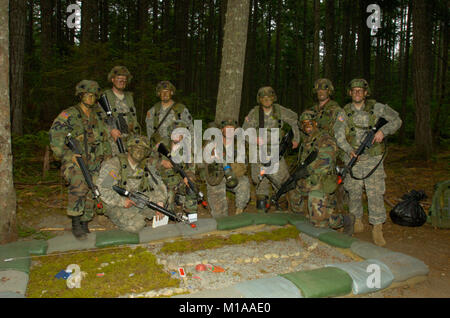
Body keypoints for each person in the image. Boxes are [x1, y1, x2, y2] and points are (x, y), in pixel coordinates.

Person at [334, 79, 402, 246]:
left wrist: (382, 131)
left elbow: (396, 120)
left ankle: (377, 227)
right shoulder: (344, 112)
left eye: (360, 90)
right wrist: (348, 149)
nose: (357, 93)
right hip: (353, 157)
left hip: (373, 158)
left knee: (375, 192)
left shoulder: (377, 108)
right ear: (350, 93)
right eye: (354, 90)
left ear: (366, 92)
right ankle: (356, 220)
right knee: (353, 191)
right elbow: (338, 132)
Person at [49, 80, 112, 239]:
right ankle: (76, 221)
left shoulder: (98, 116)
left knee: (94, 188)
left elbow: (105, 139)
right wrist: (69, 156)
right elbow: (55, 138)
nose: (90, 98)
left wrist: (108, 158)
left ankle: (85, 221)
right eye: (87, 95)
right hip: (75, 162)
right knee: (79, 182)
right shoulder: (69, 115)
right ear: (80, 95)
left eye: (93, 96)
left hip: (95, 161)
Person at [242, 86, 300, 213]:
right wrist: (255, 139)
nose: (267, 100)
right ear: (260, 99)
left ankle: (282, 206)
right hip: (258, 151)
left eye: (269, 97)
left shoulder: (279, 110)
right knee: (259, 179)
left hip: (276, 150)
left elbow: (295, 120)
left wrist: (296, 138)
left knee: (282, 179)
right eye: (264, 98)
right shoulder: (254, 113)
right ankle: (262, 209)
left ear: (273, 98)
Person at [297, 110, 354, 234]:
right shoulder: (307, 142)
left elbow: (325, 164)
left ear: (315, 123)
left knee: (318, 222)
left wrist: (305, 175)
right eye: (304, 123)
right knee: (295, 200)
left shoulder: (325, 138)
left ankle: (345, 220)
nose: (307, 126)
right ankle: (318, 213)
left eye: (310, 123)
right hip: (312, 182)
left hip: (322, 183)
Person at [96, 136, 168, 233]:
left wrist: (160, 202)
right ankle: (111, 222)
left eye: (143, 149)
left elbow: (159, 185)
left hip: (137, 199)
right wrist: (122, 201)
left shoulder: (146, 166)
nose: (139, 152)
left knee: (166, 205)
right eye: (136, 148)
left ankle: (139, 214)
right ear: (129, 149)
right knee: (137, 225)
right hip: (116, 202)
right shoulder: (114, 165)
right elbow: (103, 189)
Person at [203, 119, 250, 218]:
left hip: (232, 175)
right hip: (216, 177)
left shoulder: (239, 146)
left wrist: (227, 165)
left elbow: (243, 167)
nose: (229, 131)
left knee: (244, 183)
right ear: (221, 130)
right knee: (220, 216)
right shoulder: (212, 144)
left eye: (232, 129)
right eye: (227, 128)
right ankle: (220, 212)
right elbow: (202, 165)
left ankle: (239, 211)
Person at [152, 121, 198, 217]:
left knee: (191, 185)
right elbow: (146, 161)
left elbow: (191, 169)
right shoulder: (161, 145)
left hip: (178, 182)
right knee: (167, 211)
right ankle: (175, 204)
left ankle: (192, 217)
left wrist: (188, 177)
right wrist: (160, 162)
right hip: (161, 182)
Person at [103, 66, 141, 154]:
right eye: (119, 79)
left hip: (130, 141)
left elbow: (134, 119)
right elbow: (98, 119)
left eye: (124, 80)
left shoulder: (129, 98)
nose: (122, 81)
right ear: (112, 79)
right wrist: (111, 130)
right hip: (113, 141)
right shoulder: (105, 97)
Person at [146, 81, 194, 148]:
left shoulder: (181, 110)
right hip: (160, 147)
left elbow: (191, 129)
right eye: (162, 91)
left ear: (171, 92)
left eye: (167, 91)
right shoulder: (153, 111)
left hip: (178, 146)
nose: (165, 94)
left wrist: (192, 149)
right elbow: (150, 134)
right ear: (159, 93)